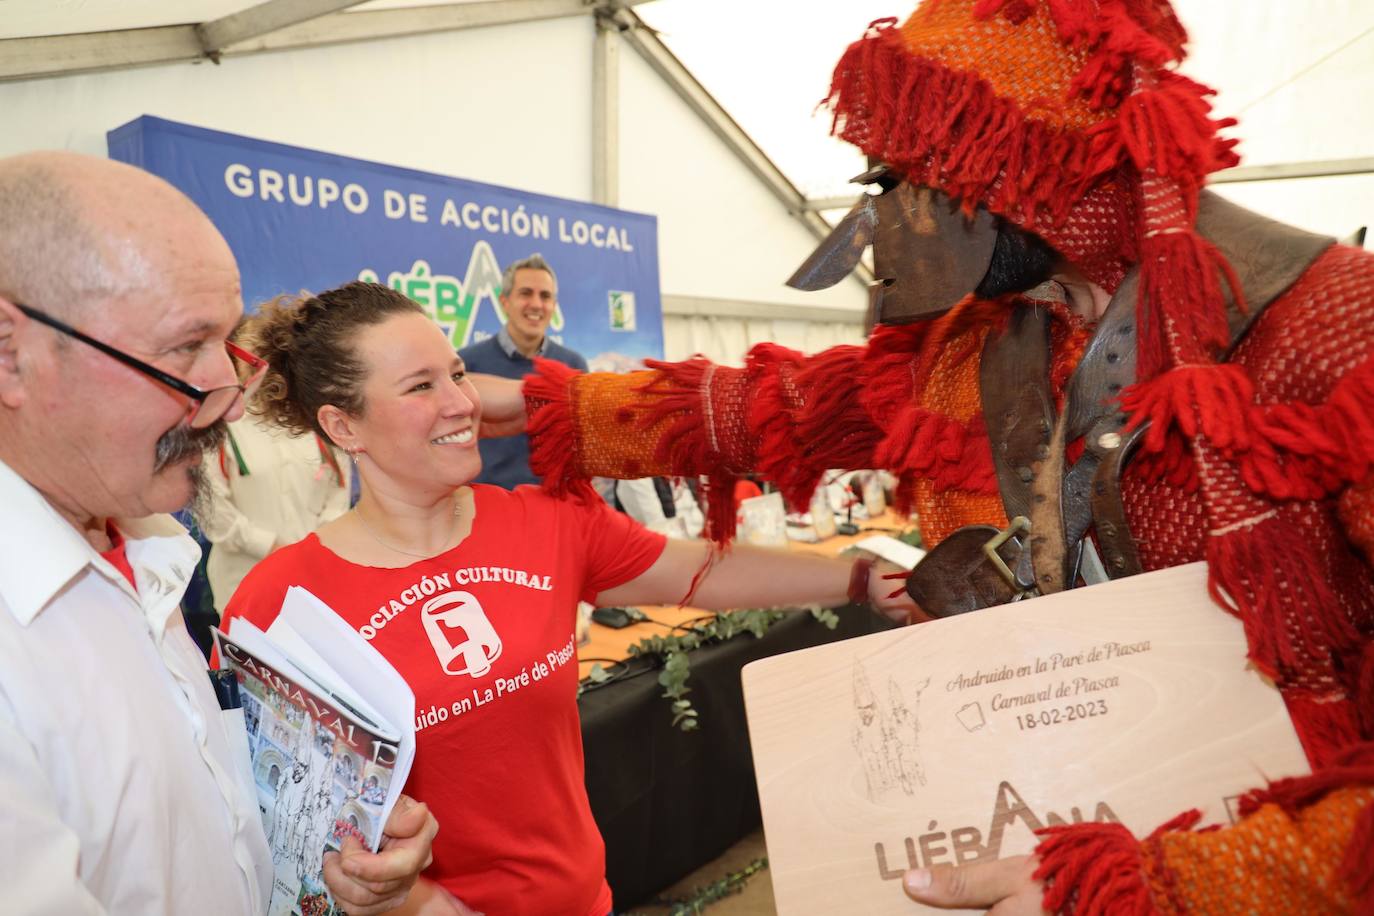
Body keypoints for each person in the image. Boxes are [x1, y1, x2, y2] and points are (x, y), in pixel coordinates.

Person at [471, 0, 1374, 910]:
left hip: (1252, 837)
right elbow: (784, 404)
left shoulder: (1330, 327)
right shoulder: (982, 339)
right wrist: (552, 403)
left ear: (1031, 159)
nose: (887, 218)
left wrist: (1182, 888)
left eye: (914, 174)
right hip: (1027, 787)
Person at [220, 280, 916, 916]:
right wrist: (420, 902)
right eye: (421, 386)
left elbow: (697, 572)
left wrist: (856, 576)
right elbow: (295, 824)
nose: (461, 402)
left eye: (458, 373)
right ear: (343, 427)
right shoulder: (281, 605)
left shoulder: (543, 521)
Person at [0, 151, 437, 916]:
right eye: (183, 351)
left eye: (225, 346)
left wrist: (324, 868)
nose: (232, 401)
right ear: (12, 353)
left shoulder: (142, 547)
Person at [195, 318, 352, 614]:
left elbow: (337, 497)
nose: (265, 369)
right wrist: (276, 549)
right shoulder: (222, 424)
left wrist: (313, 551)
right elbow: (215, 514)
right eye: (254, 359)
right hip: (242, 584)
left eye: (275, 360)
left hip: (316, 582)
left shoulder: (320, 422)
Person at [457, 254, 588, 489]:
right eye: (526, 293)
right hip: (491, 507)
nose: (537, 304)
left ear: (554, 306)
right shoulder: (465, 364)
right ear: (504, 302)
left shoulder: (573, 366)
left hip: (558, 507)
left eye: (545, 296)